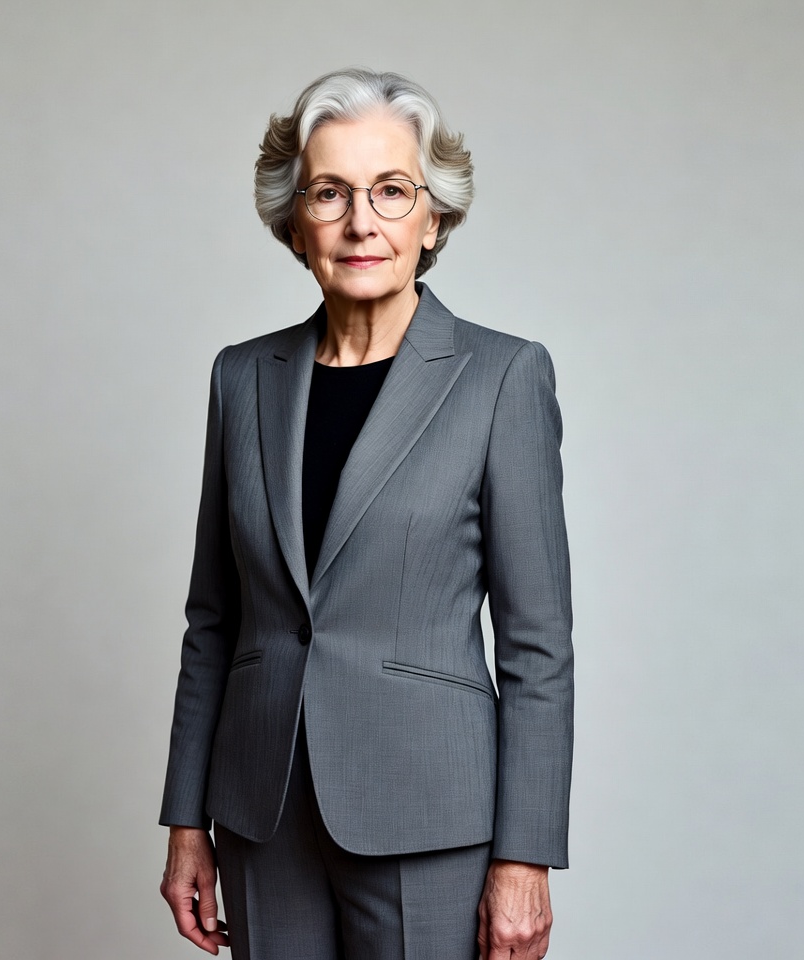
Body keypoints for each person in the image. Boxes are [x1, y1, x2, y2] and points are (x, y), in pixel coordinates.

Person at [159, 68, 574, 960]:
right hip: (261, 813)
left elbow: (538, 644)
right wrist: (186, 819)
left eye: (392, 190)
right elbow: (212, 622)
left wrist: (526, 854)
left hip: (431, 815)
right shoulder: (243, 378)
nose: (362, 221)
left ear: (434, 217)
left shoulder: (502, 378)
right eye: (331, 191)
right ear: (293, 217)